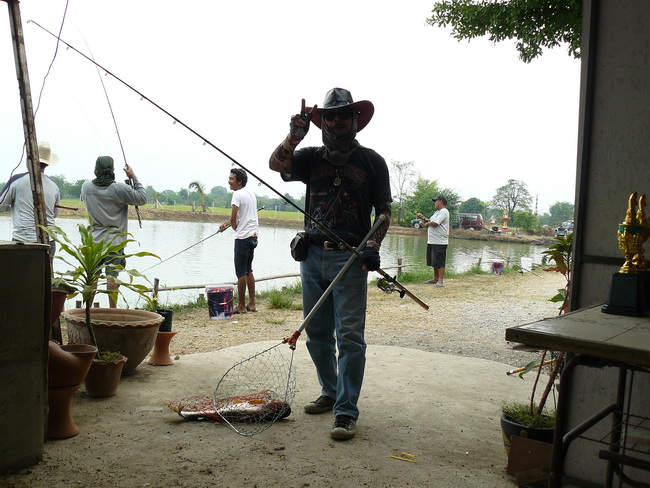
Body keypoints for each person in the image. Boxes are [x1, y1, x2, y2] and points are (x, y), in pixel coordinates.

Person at [268, 87, 392, 440]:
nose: (337, 121)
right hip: (312, 255)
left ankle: (346, 411)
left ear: (356, 120)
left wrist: (372, 245)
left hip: (351, 259)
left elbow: (384, 212)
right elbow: (277, 165)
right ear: (323, 122)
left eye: (344, 115)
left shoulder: (372, 161)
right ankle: (331, 389)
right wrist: (294, 136)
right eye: (331, 115)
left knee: (350, 336)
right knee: (317, 332)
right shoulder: (310, 157)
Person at [81, 156, 147, 307]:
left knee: (92, 277)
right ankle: (113, 310)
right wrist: (133, 178)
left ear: (96, 169)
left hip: (93, 240)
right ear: (112, 169)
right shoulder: (119, 188)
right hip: (115, 241)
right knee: (112, 276)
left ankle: (87, 312)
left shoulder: (86, 187)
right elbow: (142, 198)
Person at [0, 141, 61, 258]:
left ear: (29, 159)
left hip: (24, 241)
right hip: (49, 241)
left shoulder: (17, 181)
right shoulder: (54, 186)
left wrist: (13, 207)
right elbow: (54, 214)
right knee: (47, 275)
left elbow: (1, 205)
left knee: (21, 275)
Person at [218, 168, 259, 314]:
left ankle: (241, 306)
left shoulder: (237, 194)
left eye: (231, 179)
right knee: (248, 270)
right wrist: (226, 224)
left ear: (239, 181)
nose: (229, 181)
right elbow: (241, 216)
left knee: (241, 272)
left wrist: (234, 226)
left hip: (242, 237)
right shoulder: (251, 193)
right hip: (253, 236)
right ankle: (252, 304)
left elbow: (234, 218)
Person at [417, 195, 450, 287]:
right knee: (434, 261)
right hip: (432, 241)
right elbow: (430, 221)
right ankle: (435, 279)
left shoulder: (444, 211)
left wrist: (426, 224)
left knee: (440, 261)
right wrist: (422, 217)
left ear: (440, 202)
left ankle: (440, 281)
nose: (435, 203)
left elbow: (435, 223)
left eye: (436, 201)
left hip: (440, 242)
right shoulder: (436, 213)